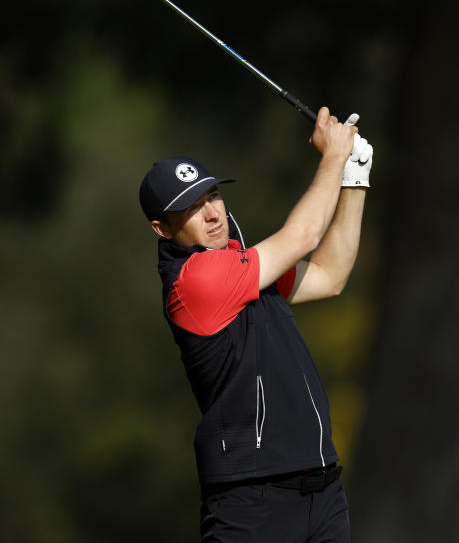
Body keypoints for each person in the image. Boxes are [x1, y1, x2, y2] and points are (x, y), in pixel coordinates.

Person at [138, 107, 373, 542]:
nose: (211, 214)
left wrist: (354, 181)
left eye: (212, 197)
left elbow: (329, 276)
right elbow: (303, 237)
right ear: (162, 229)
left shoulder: (242, 268)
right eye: (190, 208)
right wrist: (332, 159)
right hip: (253, 500)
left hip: (322, 488)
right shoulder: (196, 281)